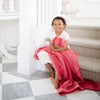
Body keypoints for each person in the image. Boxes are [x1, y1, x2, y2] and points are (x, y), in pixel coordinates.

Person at [34, 16, 100, 95]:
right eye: (55, 24)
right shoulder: (52, 34)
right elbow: (51, 45)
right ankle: (51, 70)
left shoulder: (65, 34)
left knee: (59, 61)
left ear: (64, 25)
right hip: (54, 49)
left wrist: (58, 50)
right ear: (52, 25)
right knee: (41, 53)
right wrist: (54, 49)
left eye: (59, 24)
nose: (57, 26)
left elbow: (65, 46)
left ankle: (56, 80)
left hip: (64, 50)